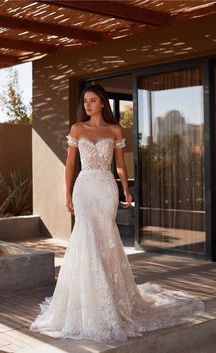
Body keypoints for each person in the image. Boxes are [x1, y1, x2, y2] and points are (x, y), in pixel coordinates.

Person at [30, 84, 204, 344]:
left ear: (102, 103)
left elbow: (121, 165)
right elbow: (70, 164)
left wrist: (125, 190)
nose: (87, 105)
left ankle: (111, 297)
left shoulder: (114, 130)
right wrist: (67, 194)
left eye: (92, 100)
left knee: (105, 239)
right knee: (85, 237)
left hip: (106, 189)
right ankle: (86, 302)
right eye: (85, 101)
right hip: (84, 187)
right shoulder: (77, 128)